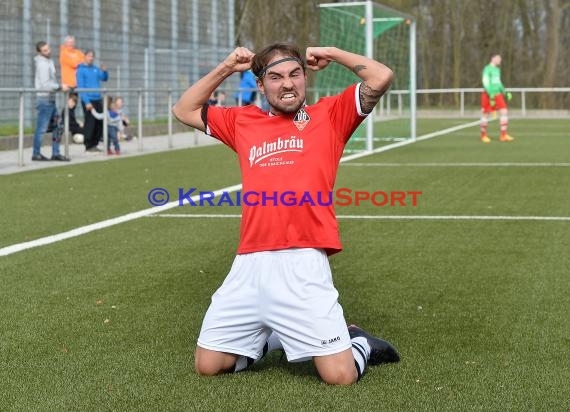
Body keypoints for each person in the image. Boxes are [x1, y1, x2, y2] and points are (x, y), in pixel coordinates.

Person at [172, 43, 399, 385]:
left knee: (339, 376)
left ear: (305, 77)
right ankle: (273, 337)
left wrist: (333, 53)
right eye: (275, 77)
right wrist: (227, 67)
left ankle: (360, 342)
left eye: (294, 74)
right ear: (261, 86)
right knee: (209, 365)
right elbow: (184, 109)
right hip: (250, 261)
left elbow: (380, 77)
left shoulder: (331, 115)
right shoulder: (242, 121)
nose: (287, 84)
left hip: (303, 260)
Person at [31, 41, 69, 161]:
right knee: (41, 129)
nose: (48, 52)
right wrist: (59, 87)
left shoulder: (49, 62)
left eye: (48, 49)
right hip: (45, 100)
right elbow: (45, 84)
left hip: (51, 100)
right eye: (45, 50)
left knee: (58, 126)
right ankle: (36, 153)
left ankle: (55, 153)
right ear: (40, 52)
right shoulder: (42, 64)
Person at [76, 49, 108, 152]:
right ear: (85, 56)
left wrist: (104, 71)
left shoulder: (95, 69)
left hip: (98, 99)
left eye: (92, 56)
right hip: (89, 100)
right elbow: (80, 88)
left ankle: (95, 143)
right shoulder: (80, 70)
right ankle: (88, 145)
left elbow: (104, 78)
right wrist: (87, 102)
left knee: (100, 122)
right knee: (90, 123)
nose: (91, 58)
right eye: (89, 56)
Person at [480, 53, 514, 143]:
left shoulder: (497, 70)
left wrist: (505, 92)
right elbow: (485, 82)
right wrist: (490, 94)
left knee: (504, 111)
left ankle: (503, 135)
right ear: (493, 58)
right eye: (498, 58)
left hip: (498, 94)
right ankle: (483, 136)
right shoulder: (487, 69)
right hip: (488, 94)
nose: (500, 60)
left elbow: (498, 82)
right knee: (486, 114)